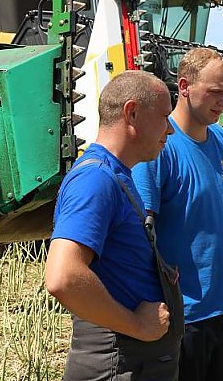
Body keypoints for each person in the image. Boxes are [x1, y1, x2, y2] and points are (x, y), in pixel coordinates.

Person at [132, 47, 223, 381]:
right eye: (215, 93)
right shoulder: (160, 147)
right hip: (183, 317)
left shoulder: (220, 138)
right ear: (184, 86)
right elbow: (141, 235)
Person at [45, 70, 181, 380]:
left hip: (135, 361)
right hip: (119, 362)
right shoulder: (95, 179)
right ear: (132, 113)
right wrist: (138, 325)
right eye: (163, 116)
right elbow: (62, 276)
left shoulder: (118, 174)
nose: (170, 130)